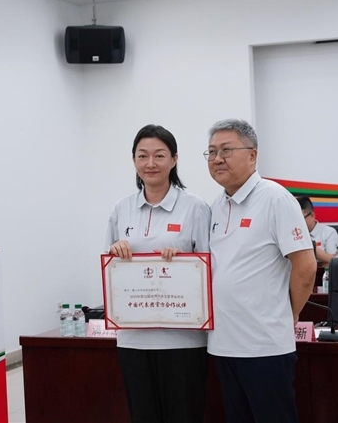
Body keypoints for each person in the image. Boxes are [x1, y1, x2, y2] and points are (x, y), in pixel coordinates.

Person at [205, 119, 317, 423]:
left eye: (226, 150)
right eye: (212, 152)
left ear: (252, 155)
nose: (217, 159)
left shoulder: (275, 198)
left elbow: (306, 266)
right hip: (223, 344)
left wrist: (289, 314)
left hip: (264, 346)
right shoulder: (217, 205)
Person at [104, 124, 211, 423]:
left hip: (183, 340)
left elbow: (208, 270)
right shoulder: (121, 209)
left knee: (184, 415)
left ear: (174, 160)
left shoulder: (195, 208)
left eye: (159, 155)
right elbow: (109, 267)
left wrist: (183, 262)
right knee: (143, 415)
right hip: (133, 338)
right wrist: (115, 252)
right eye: (142, 156)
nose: (150, 163)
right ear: (134, 160)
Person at [296, 195, 338, 264]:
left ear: (312, 215)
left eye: (301, 219)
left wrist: (312, 249)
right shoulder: (294, 235)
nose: (298, 223)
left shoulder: (329, 232)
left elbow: (337, 262)